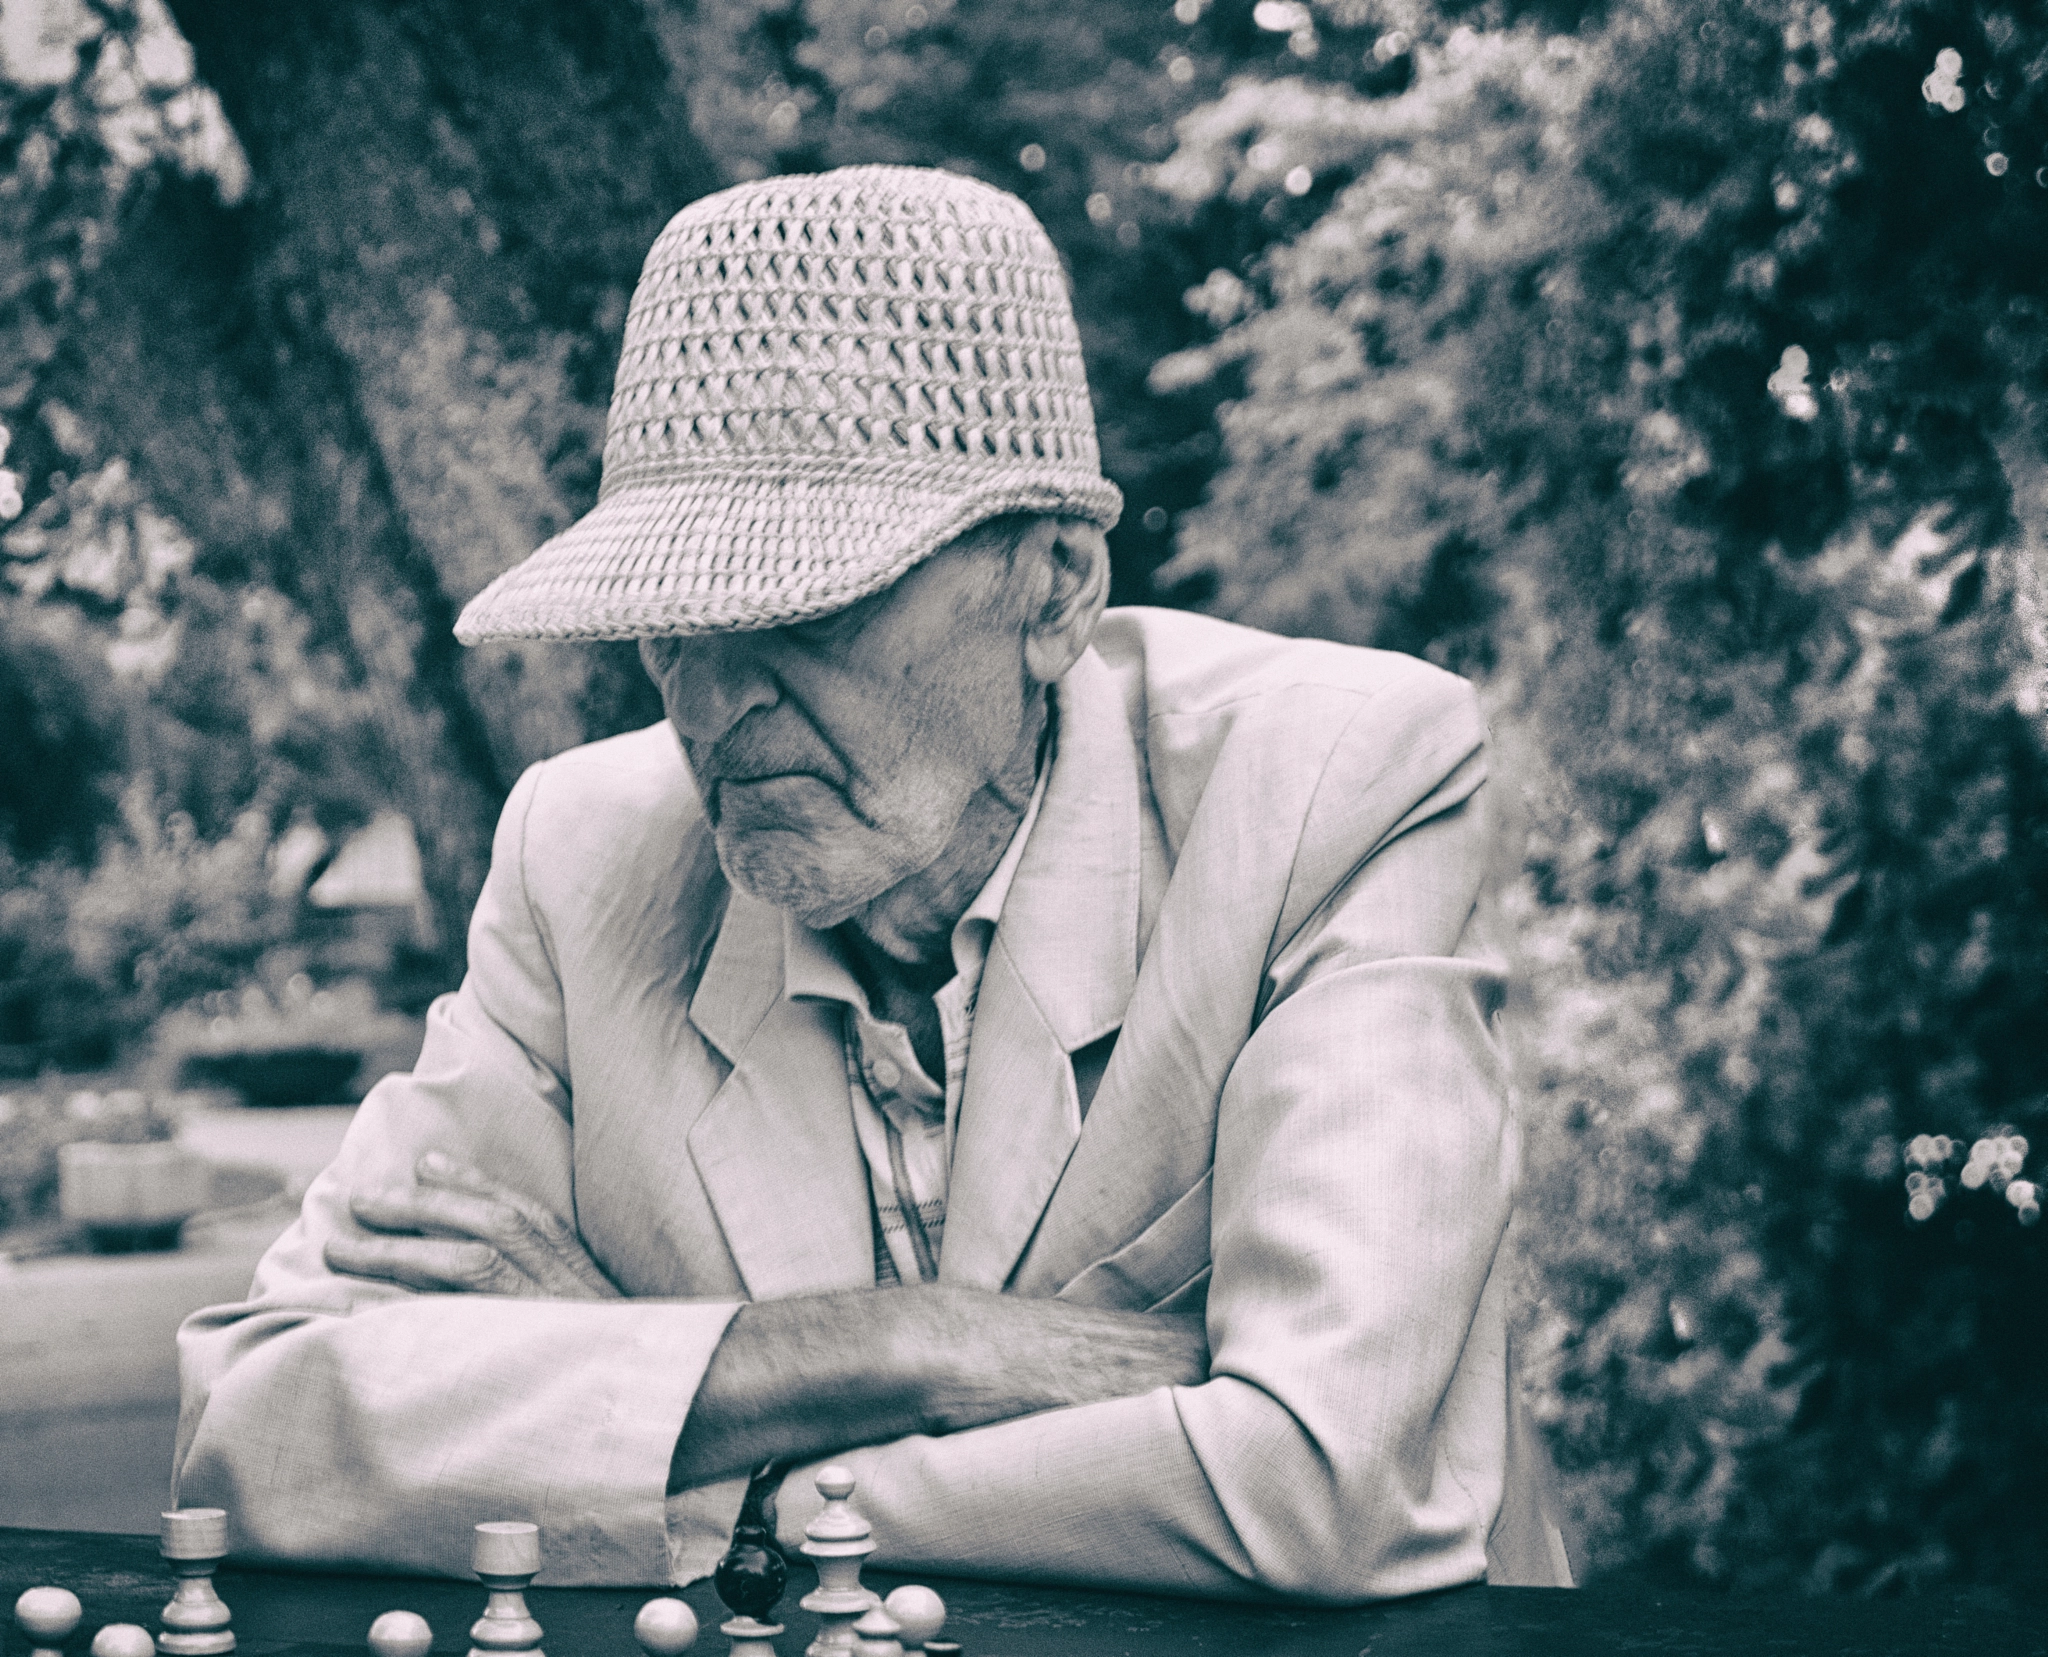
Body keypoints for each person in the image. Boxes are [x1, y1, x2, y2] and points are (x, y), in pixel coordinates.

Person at [173, 165, 1575, 1601]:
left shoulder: (1335, 780)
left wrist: (679, 1428)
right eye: (672, 626)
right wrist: (919, 1347)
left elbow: (1320, 1482)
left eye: (805, 607)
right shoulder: (581, 847)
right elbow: (258, 1422)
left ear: (1056, 587)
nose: (715, 705)